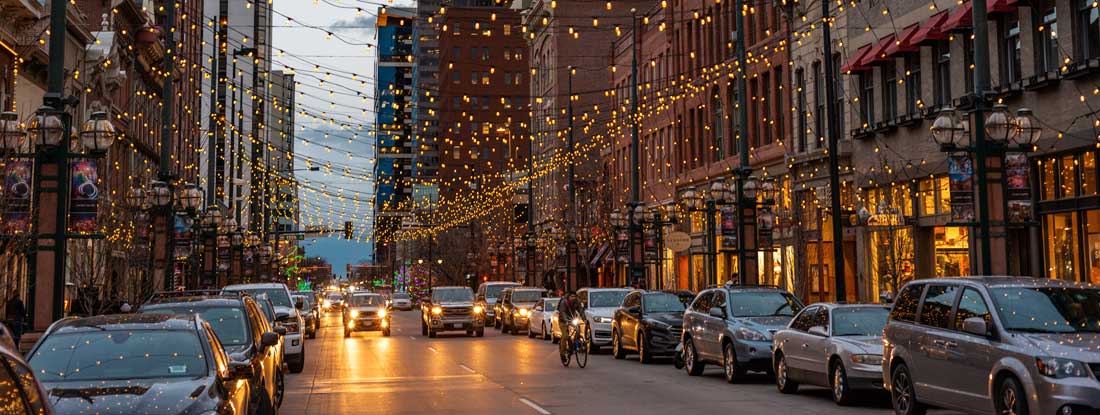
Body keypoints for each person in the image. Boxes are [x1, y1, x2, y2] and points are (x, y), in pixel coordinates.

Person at [556, 291, 585, 363]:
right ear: (568, 297)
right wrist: (566, 320)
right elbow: (562, 312)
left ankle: (576, 343)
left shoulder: (577, 302)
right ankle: (562, 354)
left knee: (578, 330)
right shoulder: (564, 302)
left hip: (572, 319)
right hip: (563, 320)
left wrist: (584, 319)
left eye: (574, 296)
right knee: (565, 336)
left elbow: (581, 311)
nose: (573, 298)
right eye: (572, 296)